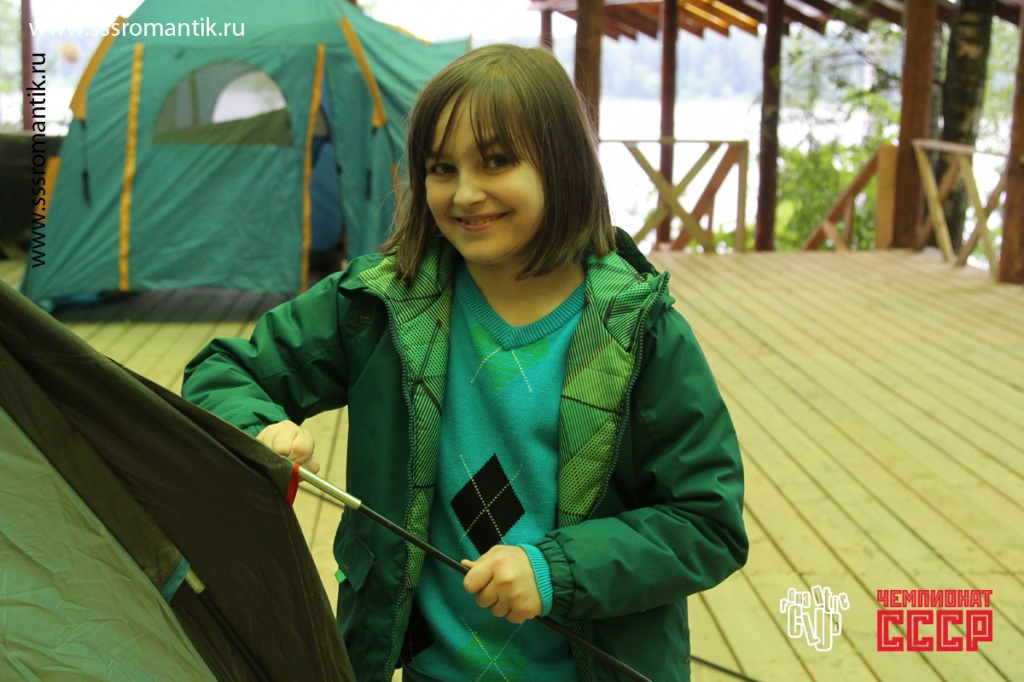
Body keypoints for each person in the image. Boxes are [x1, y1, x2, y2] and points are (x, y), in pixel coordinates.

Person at [182, 44, 747, 682]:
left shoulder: (642, 330)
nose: (466, 193)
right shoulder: (378, 303)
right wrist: (258, 429)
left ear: (563, 165)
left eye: (497, 161)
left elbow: (707, 522)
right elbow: (224, 372)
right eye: (441, 168)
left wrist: (554, 570)